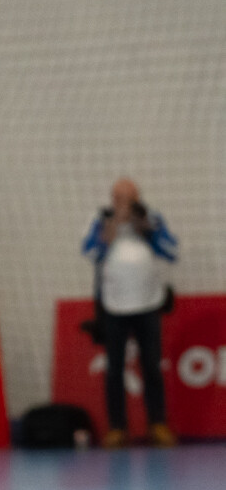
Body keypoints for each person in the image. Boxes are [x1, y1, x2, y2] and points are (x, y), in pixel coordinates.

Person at [82, 177, 178, 448]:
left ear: (137, 199)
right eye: (118, 198)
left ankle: (157, 423)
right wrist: (112, 228)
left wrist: (146, 229)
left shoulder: (152, 219)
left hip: (148, 304)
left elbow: (171, 251)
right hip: (114, 306)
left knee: (151, 366)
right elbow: (90, 252)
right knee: (114, 369)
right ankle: (117, 427)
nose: (122, 203)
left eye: (128, 199)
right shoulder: (100, 221)